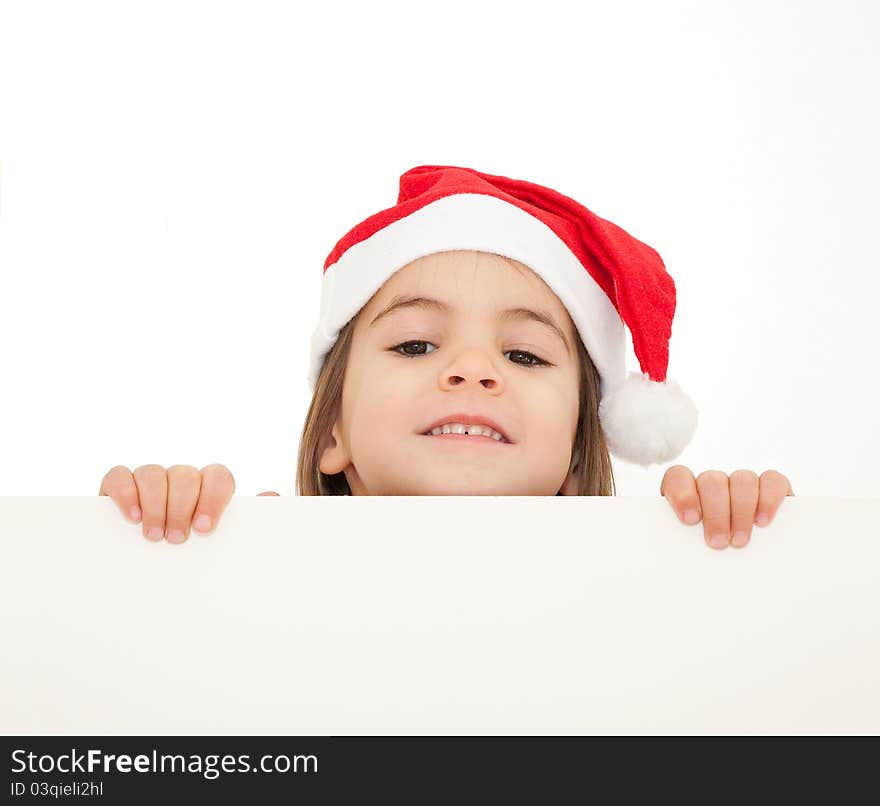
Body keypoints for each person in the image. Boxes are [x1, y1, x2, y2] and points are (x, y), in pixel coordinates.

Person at [99, 165, 794, 550]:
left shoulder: (647, 566)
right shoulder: (250, 547)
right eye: (416, 344)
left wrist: (735, 539)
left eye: (523, 355)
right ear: (333, 431)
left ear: (579, 458)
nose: (472, 369)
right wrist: (153, 534)